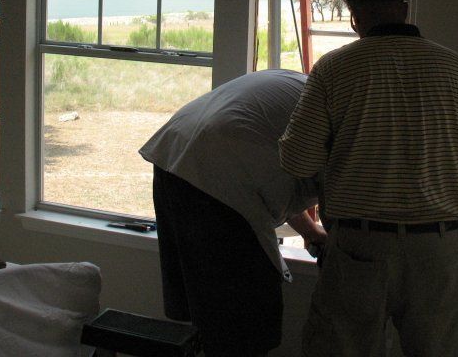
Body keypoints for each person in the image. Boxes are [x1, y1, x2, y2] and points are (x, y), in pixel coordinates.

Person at [279, 0, 458, 357]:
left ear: (354, 18)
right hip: (438, 248)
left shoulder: (334, 69)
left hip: (357, 248)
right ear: (405, 8)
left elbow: (296, 161)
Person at [140, 69, 327, 357]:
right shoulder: (336, 117)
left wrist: (311, 232)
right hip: (217, 173)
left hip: (174, 156)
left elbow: (271, 175)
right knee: (247, 321)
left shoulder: (300, 87)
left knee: (210, 311)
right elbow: (326, 191)